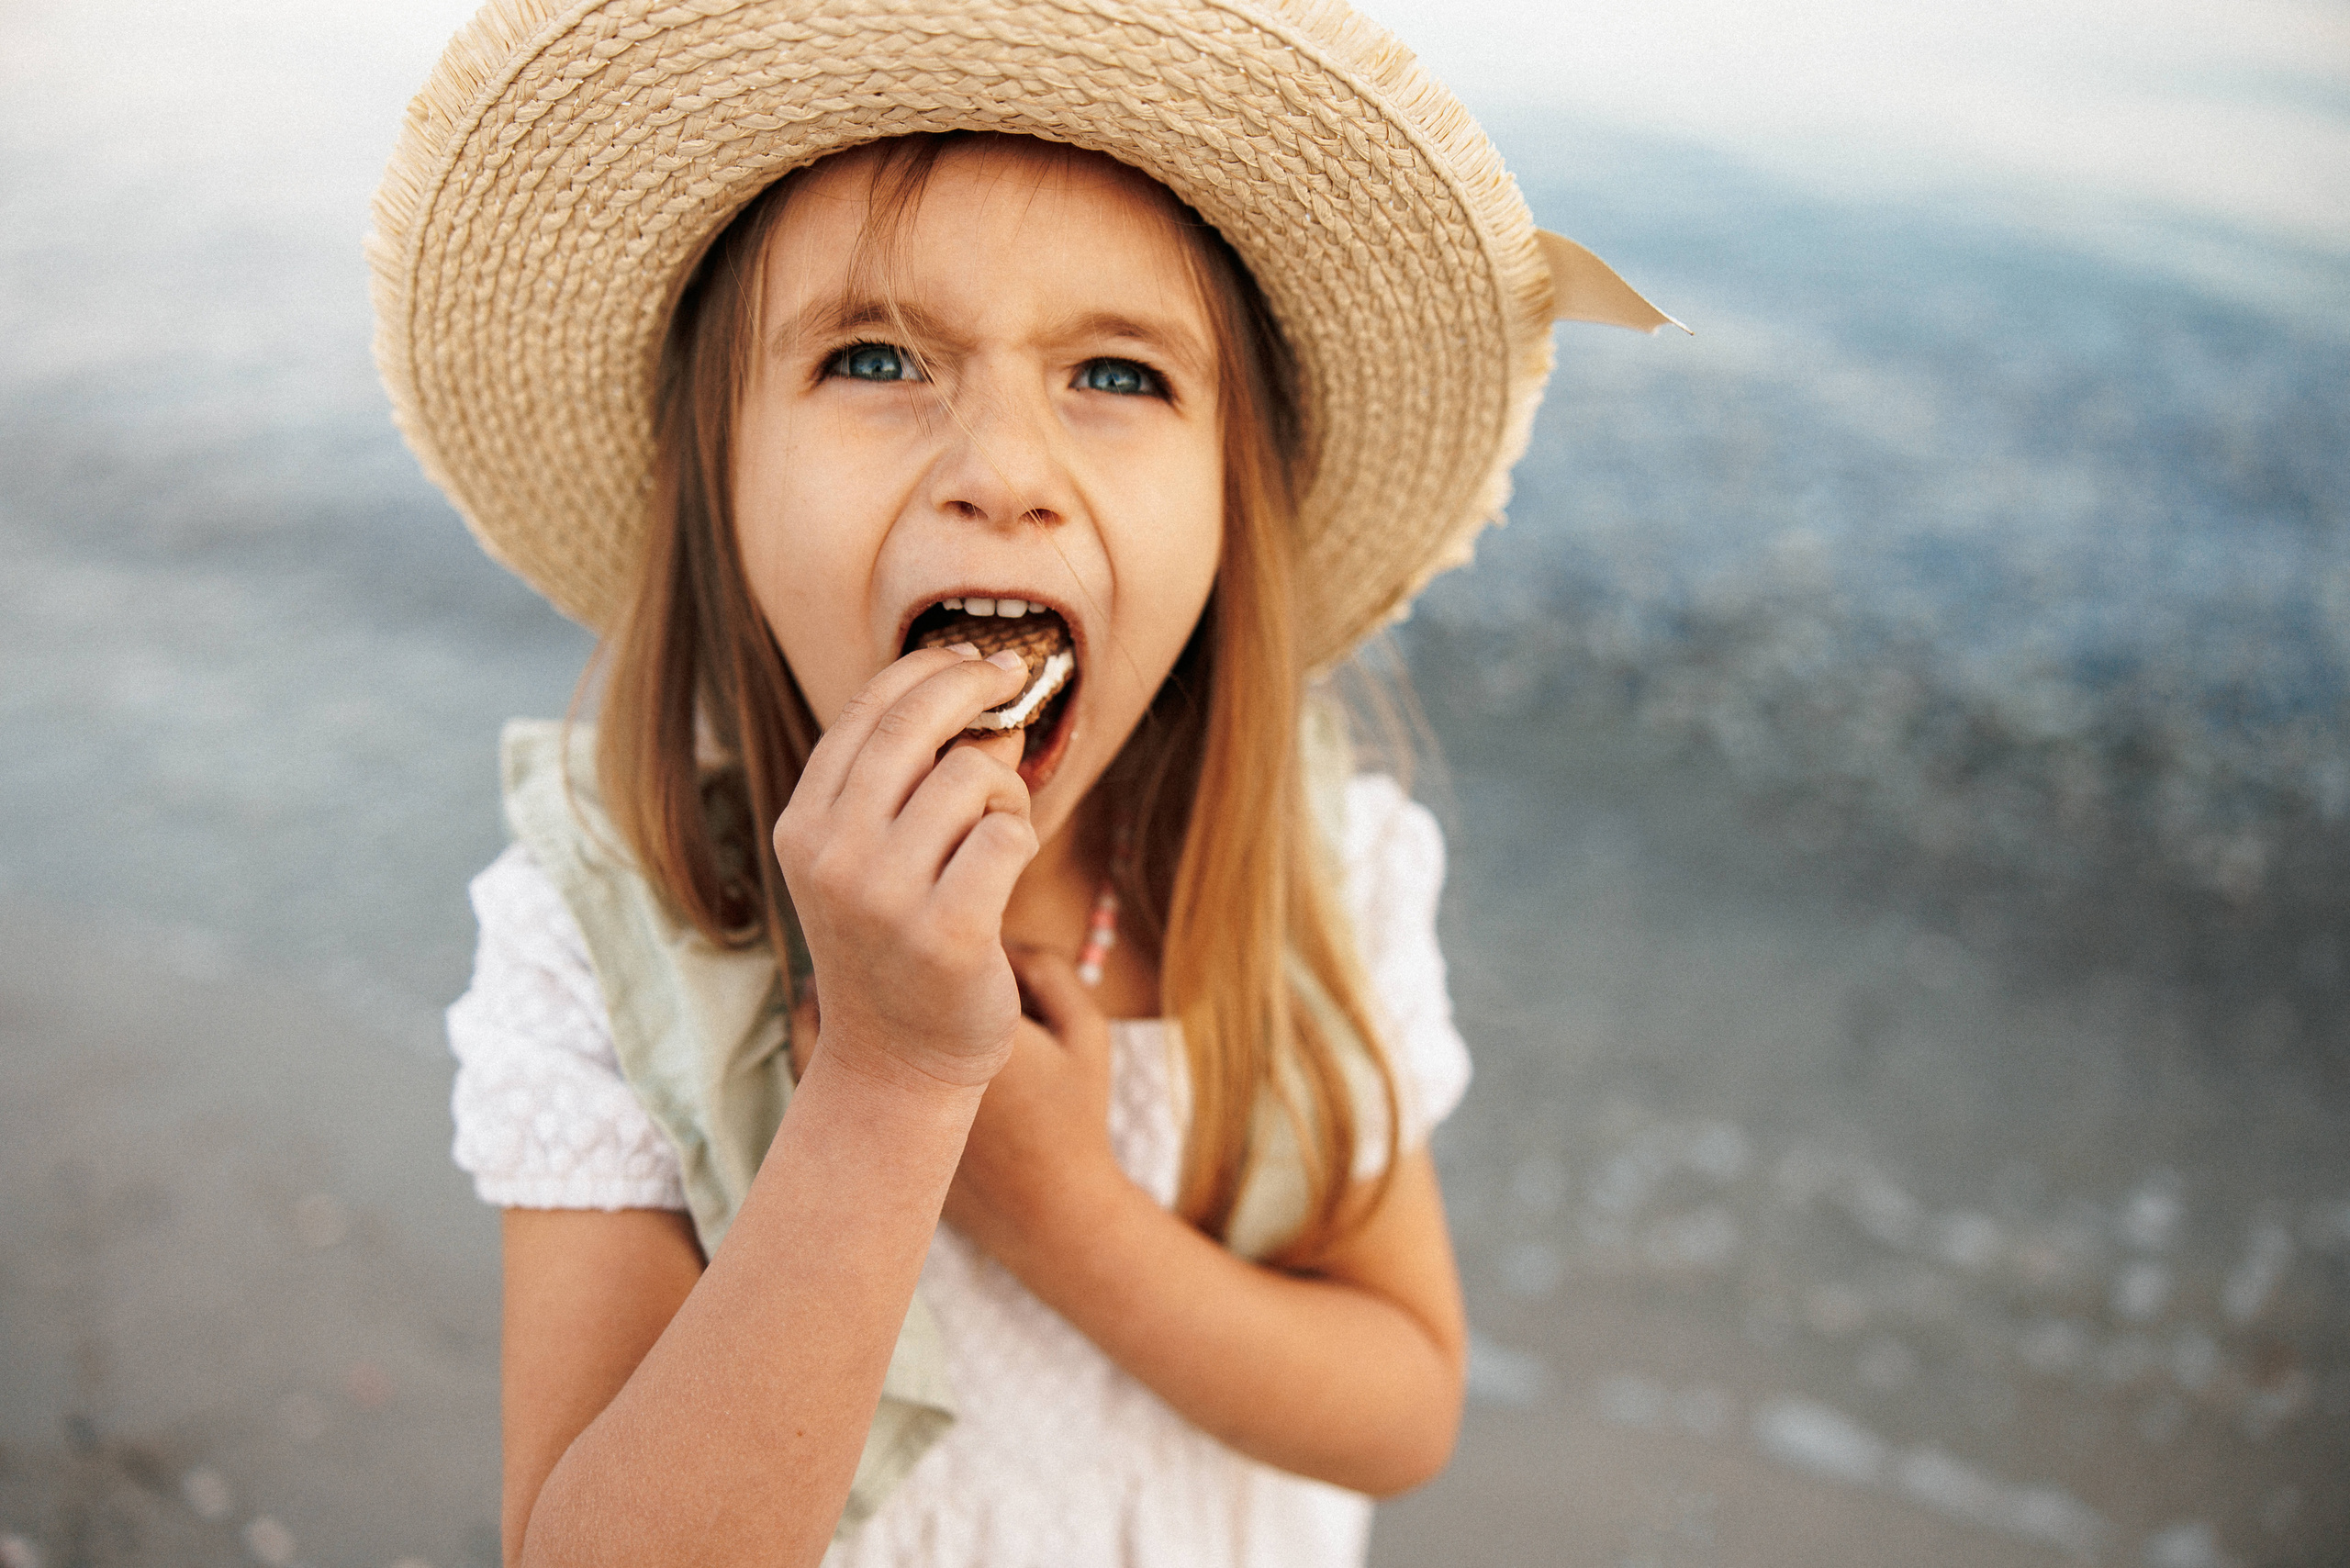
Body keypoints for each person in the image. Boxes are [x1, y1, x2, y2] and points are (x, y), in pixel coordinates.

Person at [375, 3, 1673, 1563]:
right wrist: (885, 1086)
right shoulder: (616, 924)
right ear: (714, 481)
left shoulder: (1305, 875)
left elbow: (1399, 1407)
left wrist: (1061, 1207)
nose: (1002, 466)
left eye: (1117, 377)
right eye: (873, 357)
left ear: (1230, 507)